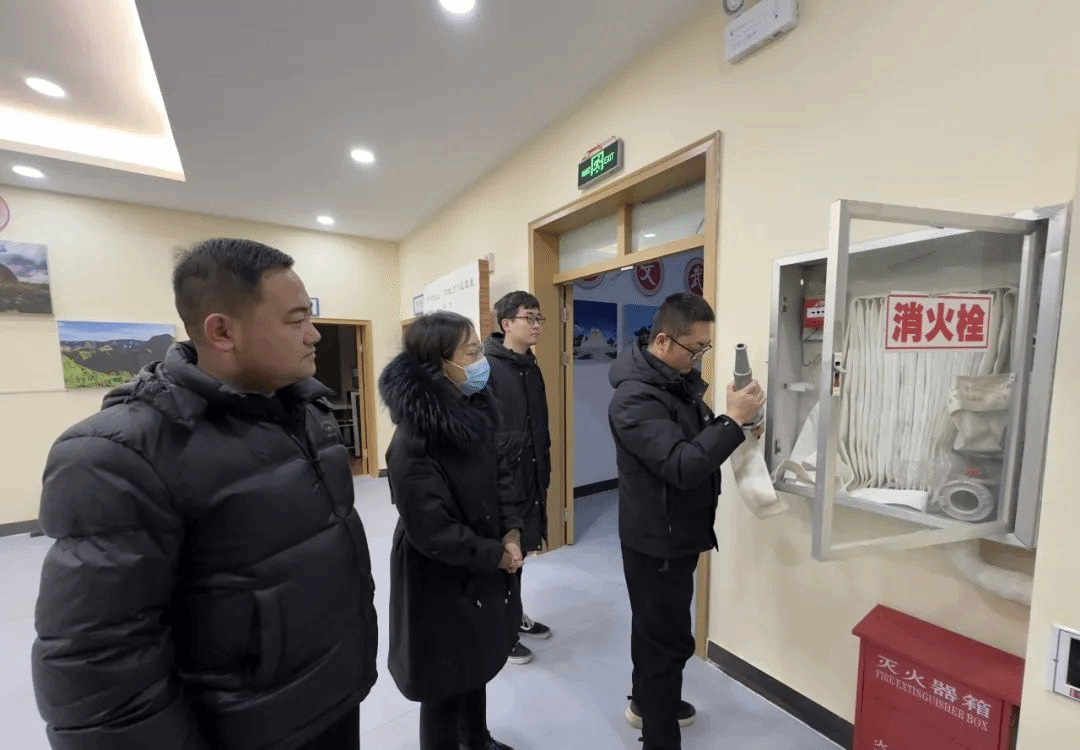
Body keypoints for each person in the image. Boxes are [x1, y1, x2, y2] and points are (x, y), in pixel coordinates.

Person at [31, 238, 379, 750]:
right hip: (244, 728)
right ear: (222, 331)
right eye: (296, 320)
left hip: (330, 696)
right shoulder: (119, 456)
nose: (314, 335)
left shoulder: (307, 414)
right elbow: (98, 668)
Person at [608, 292, 765, 750]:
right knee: (665, 639)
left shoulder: (674, 384)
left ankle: (646, 703)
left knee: (656, 629)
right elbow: (682, 465)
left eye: (705, 347)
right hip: (656, 540)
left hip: (676, 532)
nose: (699, 357)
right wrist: (731, 422)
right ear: (662, 341)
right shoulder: (634, 399)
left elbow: (693, 442)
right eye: (695, 348)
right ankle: (659, 737)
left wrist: (736, 426)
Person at [379, 311, 524, 750]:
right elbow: (433, 532)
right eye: (472, 352)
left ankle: (476, 739)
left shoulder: (476, 408)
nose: (482, 361)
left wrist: (511, 532)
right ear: (438, 363)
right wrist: (495, 555)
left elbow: (501, 477)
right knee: (445, 679)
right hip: (438, 573)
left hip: (484, 557)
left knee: (476, 660)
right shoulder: (412, 442)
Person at [483, 291, 553, 665]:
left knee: (521, 551)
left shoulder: (531, 365)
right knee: (505, 554)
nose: (537, 324)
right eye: (530, 318)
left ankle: (515, 615)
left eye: (539, 318)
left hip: (532, 473)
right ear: (507, 323)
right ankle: (501, 631)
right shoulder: (486, 367)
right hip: (504, 479)